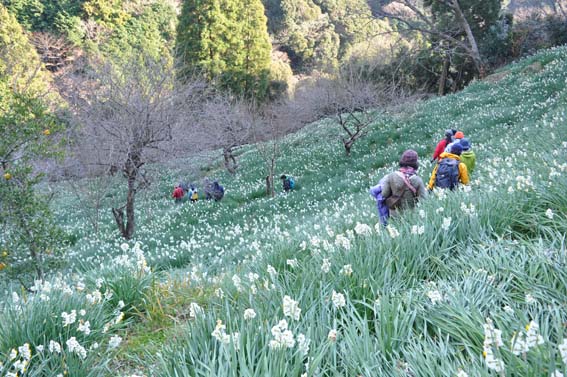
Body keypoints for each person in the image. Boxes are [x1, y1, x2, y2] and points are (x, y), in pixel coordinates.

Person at [370, 149, 427, 224]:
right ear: (415, 163)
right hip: (411, 216)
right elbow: (423, 199)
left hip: (394, 214)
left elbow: (384, 194)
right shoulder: (418, 180)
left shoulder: (391, 176)